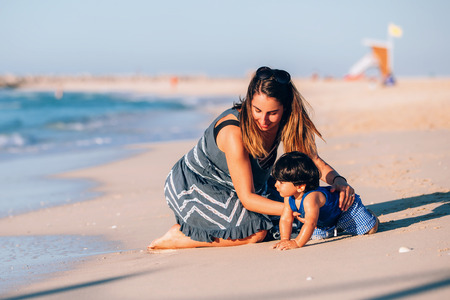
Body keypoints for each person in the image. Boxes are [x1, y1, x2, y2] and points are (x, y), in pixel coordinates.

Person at [148, 66, 355, 250]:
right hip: (196, 185)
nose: (263, 120)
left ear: (285, 108)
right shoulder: (233, 132)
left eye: (272, 113)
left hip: (248, 186)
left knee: (308, 203)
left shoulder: (289, 121)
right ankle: (180, 237)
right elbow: (247, 198)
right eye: (257, 110)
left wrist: (339, 181)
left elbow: (313, 162)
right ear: (249, 102)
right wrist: (292, 208)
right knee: (256, 233)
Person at [271, 151, 379, 251]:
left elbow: (310, 223)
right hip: (324, 221)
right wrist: (285, 239)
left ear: (300, 187)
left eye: (281, 182)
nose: (276, 185)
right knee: (318, 237)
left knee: (368, 229)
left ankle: (370, 216)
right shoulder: (288, 197)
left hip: (344, 209)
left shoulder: (310, 199)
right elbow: (286, 218)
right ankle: (338, 227)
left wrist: (297, 242)